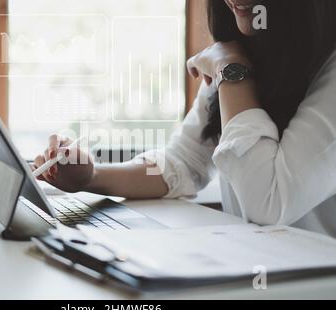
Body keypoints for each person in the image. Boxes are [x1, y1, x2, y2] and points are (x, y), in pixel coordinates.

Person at [34, 0, 336, 237]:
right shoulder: (243, 51)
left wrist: (231, 71)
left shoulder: (233, 64)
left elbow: (267, 205)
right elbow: (181, 164)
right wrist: (91, 177)